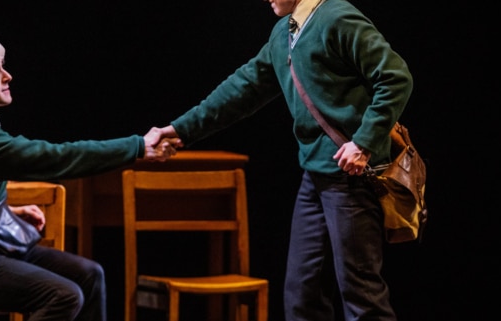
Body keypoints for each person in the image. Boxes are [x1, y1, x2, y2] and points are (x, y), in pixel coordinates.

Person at [146, 0, 413, 320]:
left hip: (348, 177)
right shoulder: (285, 33)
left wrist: (364, 142)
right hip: (314, 177)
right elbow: (242, 89)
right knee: (302, 294)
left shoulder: (337, 17)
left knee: (361, 295)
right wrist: (180, 131)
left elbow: (396, 77)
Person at [0, 33, 178, 321]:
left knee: (90, 275)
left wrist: (6, 211)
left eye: (3, 65)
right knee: (63, 295)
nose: (7, 76)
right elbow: (55, 158)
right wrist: (137, 147)